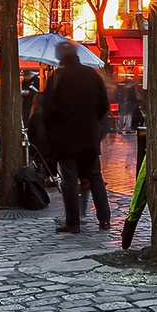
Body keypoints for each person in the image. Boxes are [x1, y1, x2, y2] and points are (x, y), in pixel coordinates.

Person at [41, 41, 111, 234]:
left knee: (69, 179)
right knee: (95, 176)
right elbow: (104, 104)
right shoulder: (92, 75)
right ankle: (104, 219)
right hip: (89, 135)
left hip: (65, 138)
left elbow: (47, 109)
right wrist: (92, 121)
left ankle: (73, 223)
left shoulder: (57, 77)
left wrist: (52, 132)